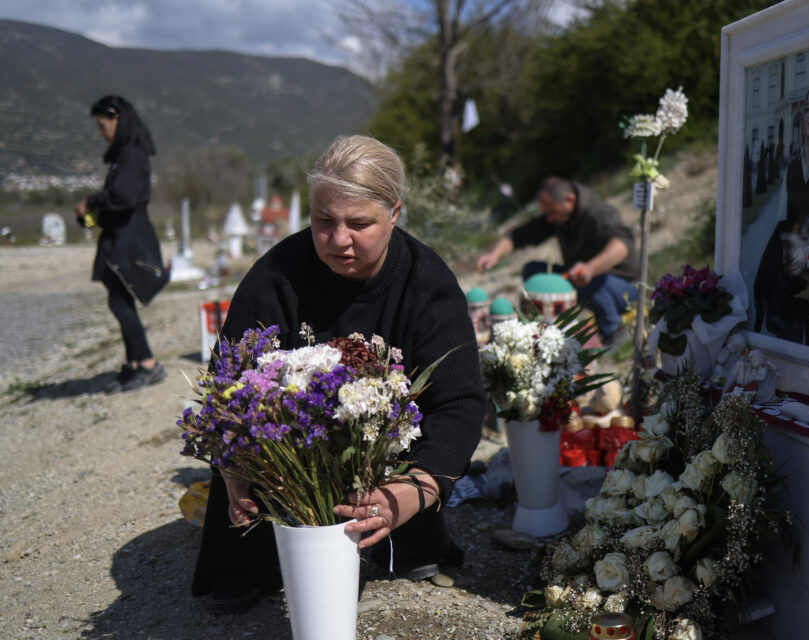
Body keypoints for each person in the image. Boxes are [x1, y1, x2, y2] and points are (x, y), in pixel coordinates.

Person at [191, 135, 485, 614]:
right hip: (287, 467)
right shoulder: (275, 277)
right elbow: (226, 384)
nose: (338, 239)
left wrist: (418, 488)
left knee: (404, 527)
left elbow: (460, 401)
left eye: (359, 223)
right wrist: (233, 469)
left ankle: (407, 538)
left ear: (395, 212)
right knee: (243, 564)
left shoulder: (427, 284)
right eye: (323, 221)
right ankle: (253, 558)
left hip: (389, 466)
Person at [74, 96, 168, 393]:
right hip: (120, 236)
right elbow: (119, 199)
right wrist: (93, 215)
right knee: (121, 298)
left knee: (119, 300)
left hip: (130, 240)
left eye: (102, 125)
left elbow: (124, 196)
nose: (99, 132)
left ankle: (149, 364)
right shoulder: (124, 155)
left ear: (118, 119)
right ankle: (134, 365)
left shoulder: (132, 154)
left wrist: (91, 201)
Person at [475, 177, 639, 346]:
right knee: (534, 273)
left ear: (570, 200)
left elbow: (621, 246)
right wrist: (494, 255)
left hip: (624, 288)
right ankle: (545, 328)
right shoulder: (559, 216)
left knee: (590, 282)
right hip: (580, 277)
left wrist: (591, 268)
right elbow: (518, 236)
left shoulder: (599, 213)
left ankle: (612, 331)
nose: (549, 219)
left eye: (552, 213)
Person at [754, 84, 809, 346]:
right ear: (802, 117)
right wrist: (790, 251)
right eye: (807, 109)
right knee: (790, 348)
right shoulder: (791, 169)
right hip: (791, 274)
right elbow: (782, 221)